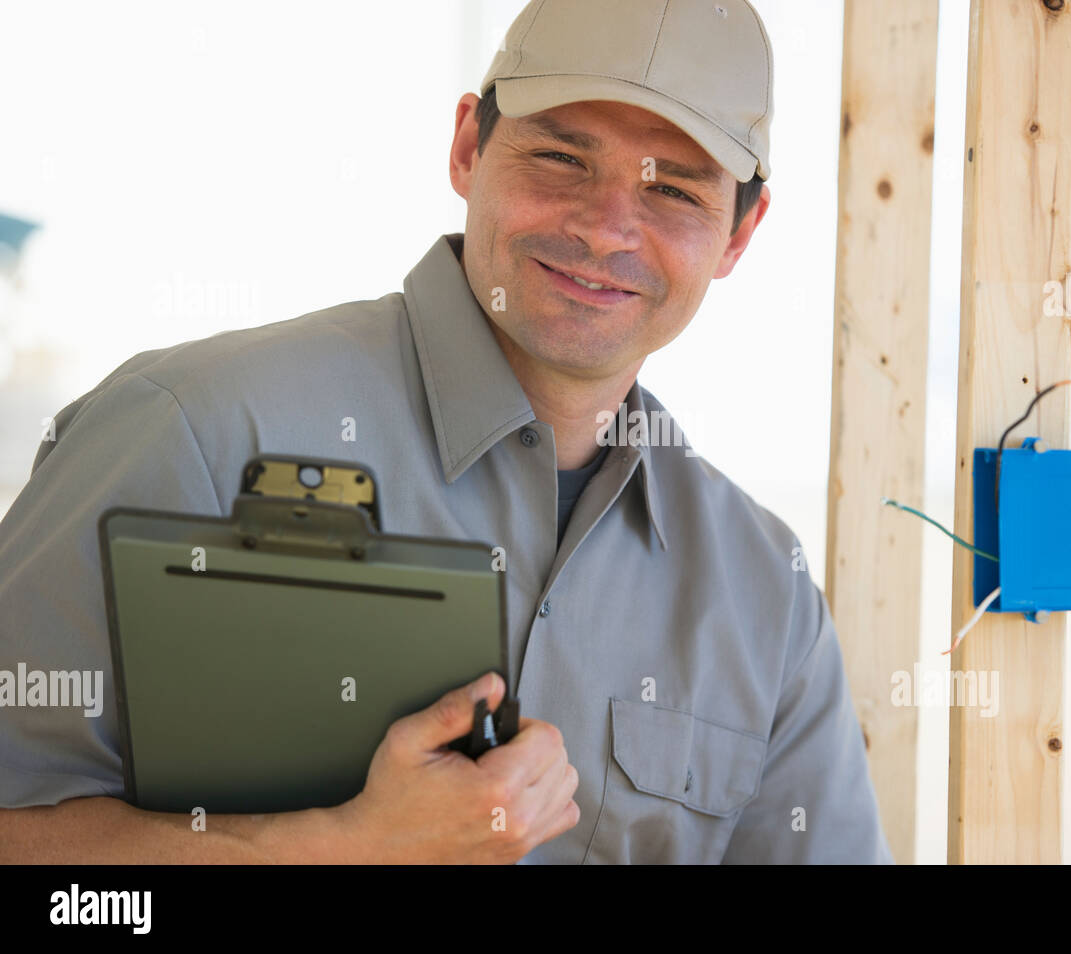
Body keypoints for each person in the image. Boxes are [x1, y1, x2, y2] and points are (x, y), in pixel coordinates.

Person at [0, 0, 892, 863]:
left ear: (739, 235)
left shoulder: (764, 599)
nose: (605, 226)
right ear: (469, 146)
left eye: (676, 191)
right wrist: (337, 854)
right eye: (562, 158)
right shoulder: (188, 430)